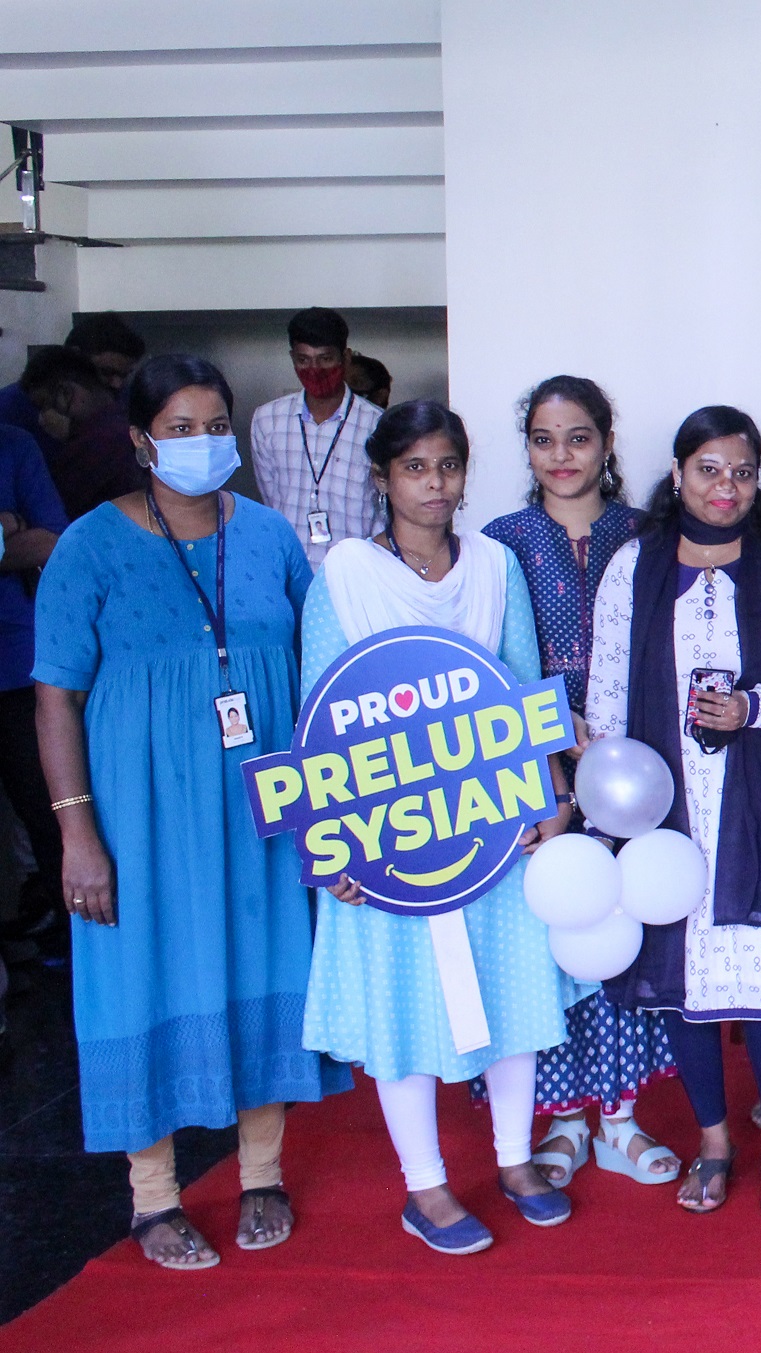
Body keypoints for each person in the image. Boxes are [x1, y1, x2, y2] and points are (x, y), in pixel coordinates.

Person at [33, 354, 348, 1270]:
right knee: (143, 976)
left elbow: (317, 666)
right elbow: (55, 698)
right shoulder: (89, 546)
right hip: (138, 816)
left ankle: (261, 1173)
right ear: (141, 441)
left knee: (263, 959)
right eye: (180, 429)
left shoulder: (269, 536)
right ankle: (153, 1197)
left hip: (259, 808)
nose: (202, 443)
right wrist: (77, 832)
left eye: (215, 426)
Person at [298, 399, 585, 1255]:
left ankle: (514, 1159)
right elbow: (321, 714)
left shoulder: (494, 565)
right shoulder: (346, 574)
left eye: (448, 465)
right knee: (403, 1000)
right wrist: (335, 845)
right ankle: (423, 1185)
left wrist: (551, 800)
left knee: (511, 985)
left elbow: (525, 688)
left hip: (490, 822)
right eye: (415, 467)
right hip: (385, 833)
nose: (434, 483)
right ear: (382, 477)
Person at [586, 405, 761, 1218]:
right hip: (665, 801)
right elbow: (607, 693)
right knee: (684, 978)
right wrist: (610, 814)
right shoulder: (634, 564)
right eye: (709, 470)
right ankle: (714, 1142)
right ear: (677, 473)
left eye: (743, 472)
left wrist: (754, 707)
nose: (726, 487)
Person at [479, 376, 676, 1189]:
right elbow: (483, 662)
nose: (561, 455)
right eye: (543, 439)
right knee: (551, 936)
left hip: (636, 765)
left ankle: (620, 1118)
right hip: (535, 769)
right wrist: (547, 741)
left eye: (579, 437)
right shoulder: (498, 543)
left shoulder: (647, 533)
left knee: (624, 928)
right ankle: (561, 1118)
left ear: (607, 442)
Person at [0, 389, 67, 946]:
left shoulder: (13, 445)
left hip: (17, 666)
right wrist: (5, 532)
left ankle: (68, 949)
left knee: (48, 815)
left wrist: (18, 532)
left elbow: (49, 541)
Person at [249, 307, 382, 565]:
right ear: (292, 358)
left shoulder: (376, 424)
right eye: (303, 360)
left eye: (325, 358)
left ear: (345, 358)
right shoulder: (267, 420)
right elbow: (272, 502)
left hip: (356, 570)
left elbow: (383, 510)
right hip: (290, 570)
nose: (314, 369)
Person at [21, 347, 142, 520]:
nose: (43, 419)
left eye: (44, 405)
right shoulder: (130, 421)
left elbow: (57, 512)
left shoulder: (90, 445)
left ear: (66, 393)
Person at [0, 313, 145, 454]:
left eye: (124, 375)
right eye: (106, 372)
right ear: (75, 360)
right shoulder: (9, 407)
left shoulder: (126, 397)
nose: (117, 384)